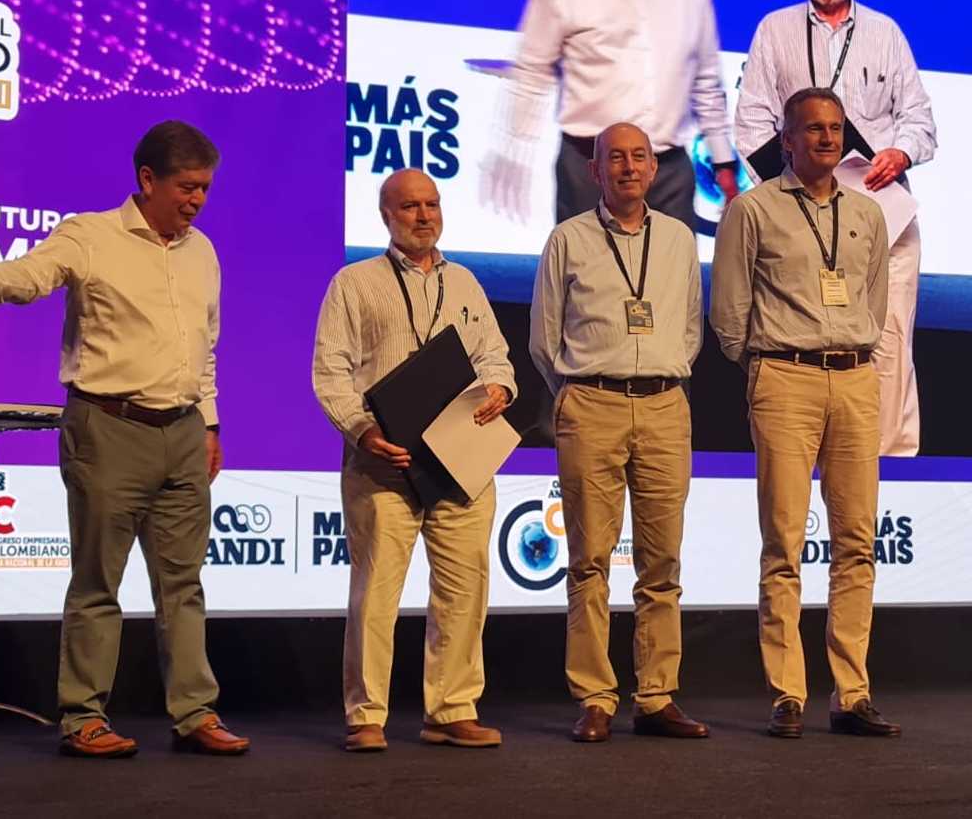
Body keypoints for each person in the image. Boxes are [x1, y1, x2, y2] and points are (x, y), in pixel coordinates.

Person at [0, 120, 249, 758]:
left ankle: (194, 713)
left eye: (206, 188)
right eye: (187, 187)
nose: (197, 200)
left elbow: (204, 347)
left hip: (184, 432)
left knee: (183, 584)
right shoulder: (90, 234)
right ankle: (84, 718)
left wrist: (210, 423)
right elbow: (33, 275)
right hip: (108, 428)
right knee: (99, 581)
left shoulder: (203, 251)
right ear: (148, 179)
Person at [711, 87, 900, 738]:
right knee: (784, 541)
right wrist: (764, 365)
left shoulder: (867, 212)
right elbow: (729, 311)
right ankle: (787, 694)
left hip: (854, 379)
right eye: (813, 128)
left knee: (856, 542)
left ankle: (852, 693)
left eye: (835, 128)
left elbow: (875, 300)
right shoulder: (753, 208)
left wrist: (854, 349)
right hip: (784, 378)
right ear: (786, 139)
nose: (827, 138)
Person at [312, 168, 516, 752]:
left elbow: (495, 356)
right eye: (409, 207)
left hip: (460, 460)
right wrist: (362, 430)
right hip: (385, 462)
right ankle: (366, 716)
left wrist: (501, 387)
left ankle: (451, 710)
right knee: (376, 591)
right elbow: (331, 371)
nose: (424, 216)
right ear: (385, 215)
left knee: (464, 589)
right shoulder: (354, 283)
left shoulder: (467, 283)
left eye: (432, 204)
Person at [530, 122, 708, 743]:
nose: (629, 167)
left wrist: (659, 375)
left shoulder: (679, 238)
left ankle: (656, 696)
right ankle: (595, 697)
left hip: (664, 406)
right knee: (589, 561)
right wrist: (579, 395)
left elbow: (690, 329)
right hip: (591, 405)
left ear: (655, 169)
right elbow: (544, 340)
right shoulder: (568, 238)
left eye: (639, 157)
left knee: (662, 561)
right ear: (595, 170)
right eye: (615, 158)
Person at [734, 0, 936, 456]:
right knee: (808, 346)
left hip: (883, 219)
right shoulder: (775, 30)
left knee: (890, 343)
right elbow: (751, 125)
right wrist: (788, 192)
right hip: (803, 225)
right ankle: (814, 465)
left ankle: (892, 467)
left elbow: (920, 120)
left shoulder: (885, 32)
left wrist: (901, 152)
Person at [486, 0, 739, 229]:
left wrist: (723, 163)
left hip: (668, 173)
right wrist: (513, 150)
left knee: (674, 260)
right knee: (585, 260)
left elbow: (706, 82)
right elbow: (532, 72)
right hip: (590, 173)